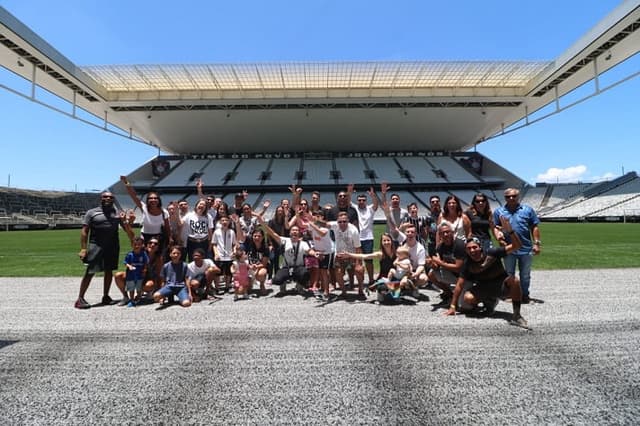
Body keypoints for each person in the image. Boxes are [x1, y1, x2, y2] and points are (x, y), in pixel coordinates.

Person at [445, 217, 528, 327]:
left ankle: (517, 315)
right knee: (468, 298)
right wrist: (453, 306)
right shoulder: (467, 263)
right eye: (469, 249)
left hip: (501, 285)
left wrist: (511, 231)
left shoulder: (492, 252)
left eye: (474, 247)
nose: (472, 251)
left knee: (515, 281)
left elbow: (517, 246)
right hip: (484, 288)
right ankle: (490, 302)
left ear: (480, 248)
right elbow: (459, 285)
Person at [75, 191, 125, 309]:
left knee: (109, 271)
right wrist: (83, 248)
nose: (108, 198)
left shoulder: (117, 213)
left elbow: (126, 226)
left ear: (113, 199)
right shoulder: (92, 213)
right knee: (90, 271)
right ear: (100, 198)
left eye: (110, 197)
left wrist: (129, 220)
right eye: (105, 196)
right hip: (95, 245)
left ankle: (106, 297)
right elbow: (84, 231)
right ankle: (80, 298)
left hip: (112, 246)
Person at [492, 188, 541, 303]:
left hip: (526, 248)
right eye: (508, 196)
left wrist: (537, 243)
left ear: (518, 197)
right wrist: (498, 237)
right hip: (509, 249)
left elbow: (534, 226)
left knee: (525, 275)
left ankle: (524, 295)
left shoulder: (528, 210)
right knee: (509, 274)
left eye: (514, 196)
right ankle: (511, 294)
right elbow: (495, 227)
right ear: (504, 198)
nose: (511, 198)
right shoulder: (499, 211)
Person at [258, 215, 318, 297]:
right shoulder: (284, 240)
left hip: (298, 267)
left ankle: (299, 286)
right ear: (290, 233)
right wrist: (262, 223)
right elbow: (272, 233)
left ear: (299, 233)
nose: (294, 232)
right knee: (277, 279)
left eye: (296, 230)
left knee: (305, 274)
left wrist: (315, 253)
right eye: (293, 230)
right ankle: (283, 287)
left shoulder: (303, 243)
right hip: (286, 267)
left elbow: (309, 251)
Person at [120, 176, 171, 254]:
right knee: (143, 256)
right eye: (150, 198)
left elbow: (167, 227)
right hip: (144, 237)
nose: (153, 200)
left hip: (157, 237)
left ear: (159, 200)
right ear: (147, 200)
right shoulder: (144, 208)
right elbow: (133, 196)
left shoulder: (164, 212)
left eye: (155, 198)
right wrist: (126, 182)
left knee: (157, 257)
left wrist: (170, 238)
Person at [427, 222, 466, 302]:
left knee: (465, 306)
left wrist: (439, 262)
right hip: (453, 274)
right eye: (442, 233)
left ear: (452, 232)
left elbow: (458, 268)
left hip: (465, 276)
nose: (445, 234)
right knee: (431, 274)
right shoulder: (441, 247)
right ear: (440, 236)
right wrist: (431, 263)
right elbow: (437, 266)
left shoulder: (459, 244)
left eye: (447, 232)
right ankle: (449, 294)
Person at [330, 211, 365, 298]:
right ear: (337, 221)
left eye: (344, 221)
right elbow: (323, 224)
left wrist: (358, 263)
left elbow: (358, 248)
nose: (342, 223)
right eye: (340, 222)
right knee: (338, 273)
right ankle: (344, 292)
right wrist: (312, 220)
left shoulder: (353, 230)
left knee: (359, 271)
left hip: (352, 255)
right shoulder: (334, 226)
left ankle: (361, 289)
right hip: (340, 255)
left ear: (348, 221)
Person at [349, 185, 379, 285]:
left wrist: (373, 195)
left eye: (363, 200)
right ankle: (357, 281)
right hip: (357, 238)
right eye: (360, 200)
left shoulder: (370, 209)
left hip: (368, 238)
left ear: (366, 201)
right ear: (357, 201)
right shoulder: (355, 208)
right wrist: (349, 192)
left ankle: (371, 280)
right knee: (357, 261)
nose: (361, 202)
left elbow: (375, 204)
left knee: (369, 261)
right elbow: (348, 201)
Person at [212, 214, 243, 293]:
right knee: (218, 272)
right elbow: (214, 244)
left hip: (229, 255)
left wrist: (234, 251)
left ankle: (227, 286)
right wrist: (216, 254)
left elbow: (234, 244)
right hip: (220, 255)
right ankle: (217, 287)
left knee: (229, 272)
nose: (224, 222)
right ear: (220, 222)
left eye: (226, 220)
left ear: (229, 222)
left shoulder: (232, 232)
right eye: (222, 221)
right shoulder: (216, 232)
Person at [122, 236, 149, 307]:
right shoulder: (129, 254)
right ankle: (132, 300)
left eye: (139, 244)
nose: (137, 246)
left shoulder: (143, 254)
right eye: (135, 244)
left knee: (139, 288)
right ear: (132, 245)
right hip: (131, 275)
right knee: (131, 288)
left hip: (139, 275)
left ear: (142, 245)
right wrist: (129, 266)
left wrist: (145, 269)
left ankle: (138, 299)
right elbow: (125, 262)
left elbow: (146, 263)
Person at [245, 228, 270, 296]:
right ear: (252, 236)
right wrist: (249, 266)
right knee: (247, 289)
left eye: (259, 236)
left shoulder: (265, 248)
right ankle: (250, 283)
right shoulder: (248, 245)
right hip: (249, 267)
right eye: (255, 236)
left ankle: (262, 284)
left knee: (261, 274)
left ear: (262, 237)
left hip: (259, 267)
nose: (257, 238)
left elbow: (264, 263)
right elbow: (244, 258)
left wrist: (256, 266)